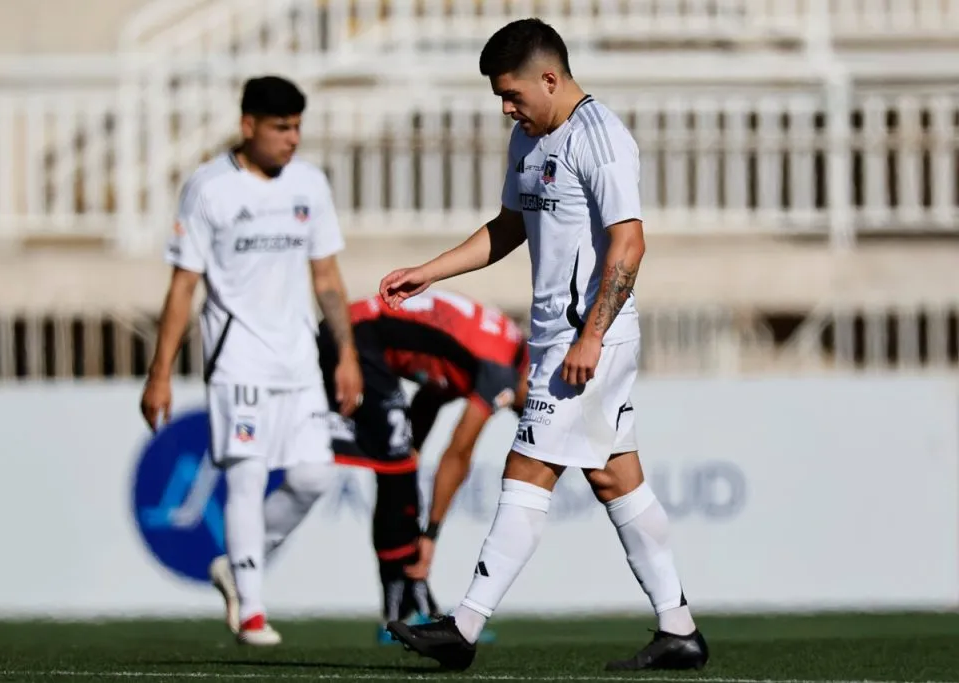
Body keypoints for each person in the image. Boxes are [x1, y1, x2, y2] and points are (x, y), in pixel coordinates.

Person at [378, 18, 709, 672]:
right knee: (618, 478)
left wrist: (590, 337)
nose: (505, 107)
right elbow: (507, 228)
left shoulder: (601, 138)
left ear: (550, 78)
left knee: (526, 469)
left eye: (512, 94)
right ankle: (679, 627)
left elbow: (630, 241)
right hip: (559, 341)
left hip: (589, 344)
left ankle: (464, 626)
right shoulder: (527, 141)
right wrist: (429, 271)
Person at [139, 75, 363, 647]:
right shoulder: (209, 189)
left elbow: (328, 277)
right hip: (237, 362)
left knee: (314, 477)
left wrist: (346, 357)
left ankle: (239, 565)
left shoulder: (309, 185)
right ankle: (253, 608)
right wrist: (159, 373)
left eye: (297, 128)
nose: (292, 139)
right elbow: (183, 286)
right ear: (248, 127)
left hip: (299, 365)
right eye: (281, 128)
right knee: (247, 477)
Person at [315, 289, 529, 644]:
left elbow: (432, 392)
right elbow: (458, 453)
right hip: (354, 340)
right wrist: (431, 534)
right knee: (396, 472)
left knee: (400, 467)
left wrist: (412, 450)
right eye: (525, 407)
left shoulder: (501, 349)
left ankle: (412, 602)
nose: (520, 411)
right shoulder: (500, 371)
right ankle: (399, 614)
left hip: (357, 336)